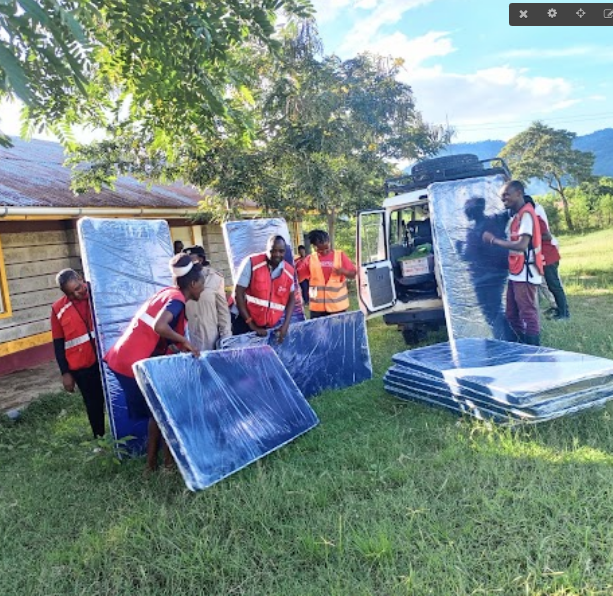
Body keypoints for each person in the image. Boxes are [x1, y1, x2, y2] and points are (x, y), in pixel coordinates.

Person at [105, 254, 204, 471]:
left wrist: (178, 346)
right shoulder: (177, 299)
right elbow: (160, 326)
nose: (203, 288)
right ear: (194, 283)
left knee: (158, 412)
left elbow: (162, 335)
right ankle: (165, 465)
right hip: (132, 363)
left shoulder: (166, 294)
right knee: (167, 411)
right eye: (202, 283)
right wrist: (185, 342)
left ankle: (155, 466)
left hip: (124, 359)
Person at [482, 180, 544, 345]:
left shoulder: (527, 215)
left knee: (527, 313)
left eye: (506, 195)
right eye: (502, 197)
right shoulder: (517, 215)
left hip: (526, 271)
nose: (504, 199)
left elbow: (522, 245)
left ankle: (533, 351)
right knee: (511, 313)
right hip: (517, 271)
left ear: (519, 193)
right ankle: (520, 347)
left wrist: (494, 240)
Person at [51, 269, 105, 438]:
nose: (77, 294)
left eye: (78, 288)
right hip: (82, 366)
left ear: (81, 279)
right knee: (93, 404)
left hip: (106, 359)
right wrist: (65, 373)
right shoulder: (58, 309)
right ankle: (100, 440)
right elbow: (58, 344)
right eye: (71, 293)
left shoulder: (99, 294)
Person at [456, 197, 512, 340]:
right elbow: (511, 211)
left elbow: (467, 256)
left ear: (470, 212)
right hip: (500, 273)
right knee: (497, 310)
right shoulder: (496, 219)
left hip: (482, 278)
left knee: (491, 313)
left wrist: (458, 247)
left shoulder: (473, 232)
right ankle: (508, 339)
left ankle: (504, 342)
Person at [232, 234, 295, 342]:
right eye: (273, 251)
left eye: (281, 251)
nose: (277, 254)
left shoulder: (289, 271)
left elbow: (292, 298)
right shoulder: (252, 263)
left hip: (267, 327)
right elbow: (238, 294)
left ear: (285, 251)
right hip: (244, 322)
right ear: (266, 249)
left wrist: (286, 325)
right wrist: (250, 324)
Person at [295, 229, 356, 318]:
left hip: (337, 307)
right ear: (314, 247)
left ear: (329, 242)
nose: (324, 252)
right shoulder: (310, 259)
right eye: (320, 250)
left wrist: (343, 271)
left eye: (326, 248)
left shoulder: (340, 255)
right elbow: (298, 278)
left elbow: (353, 274)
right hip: (317, 309)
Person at [527, 198, 570, 320]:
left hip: (548, 256)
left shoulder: (535, 219)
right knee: (551, 285)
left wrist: (530, 237)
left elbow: (547, 235)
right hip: (544, 256)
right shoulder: (530, 219)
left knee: (554, 285)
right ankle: (559, 310)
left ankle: (564, 313)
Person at [183, 245, 232, 350]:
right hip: (189, 340)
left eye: (190, 259)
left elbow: (223, 311)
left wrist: (226, 337)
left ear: (200, 259)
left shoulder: (215, 278)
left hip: (211, 338)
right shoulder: (182, 280)